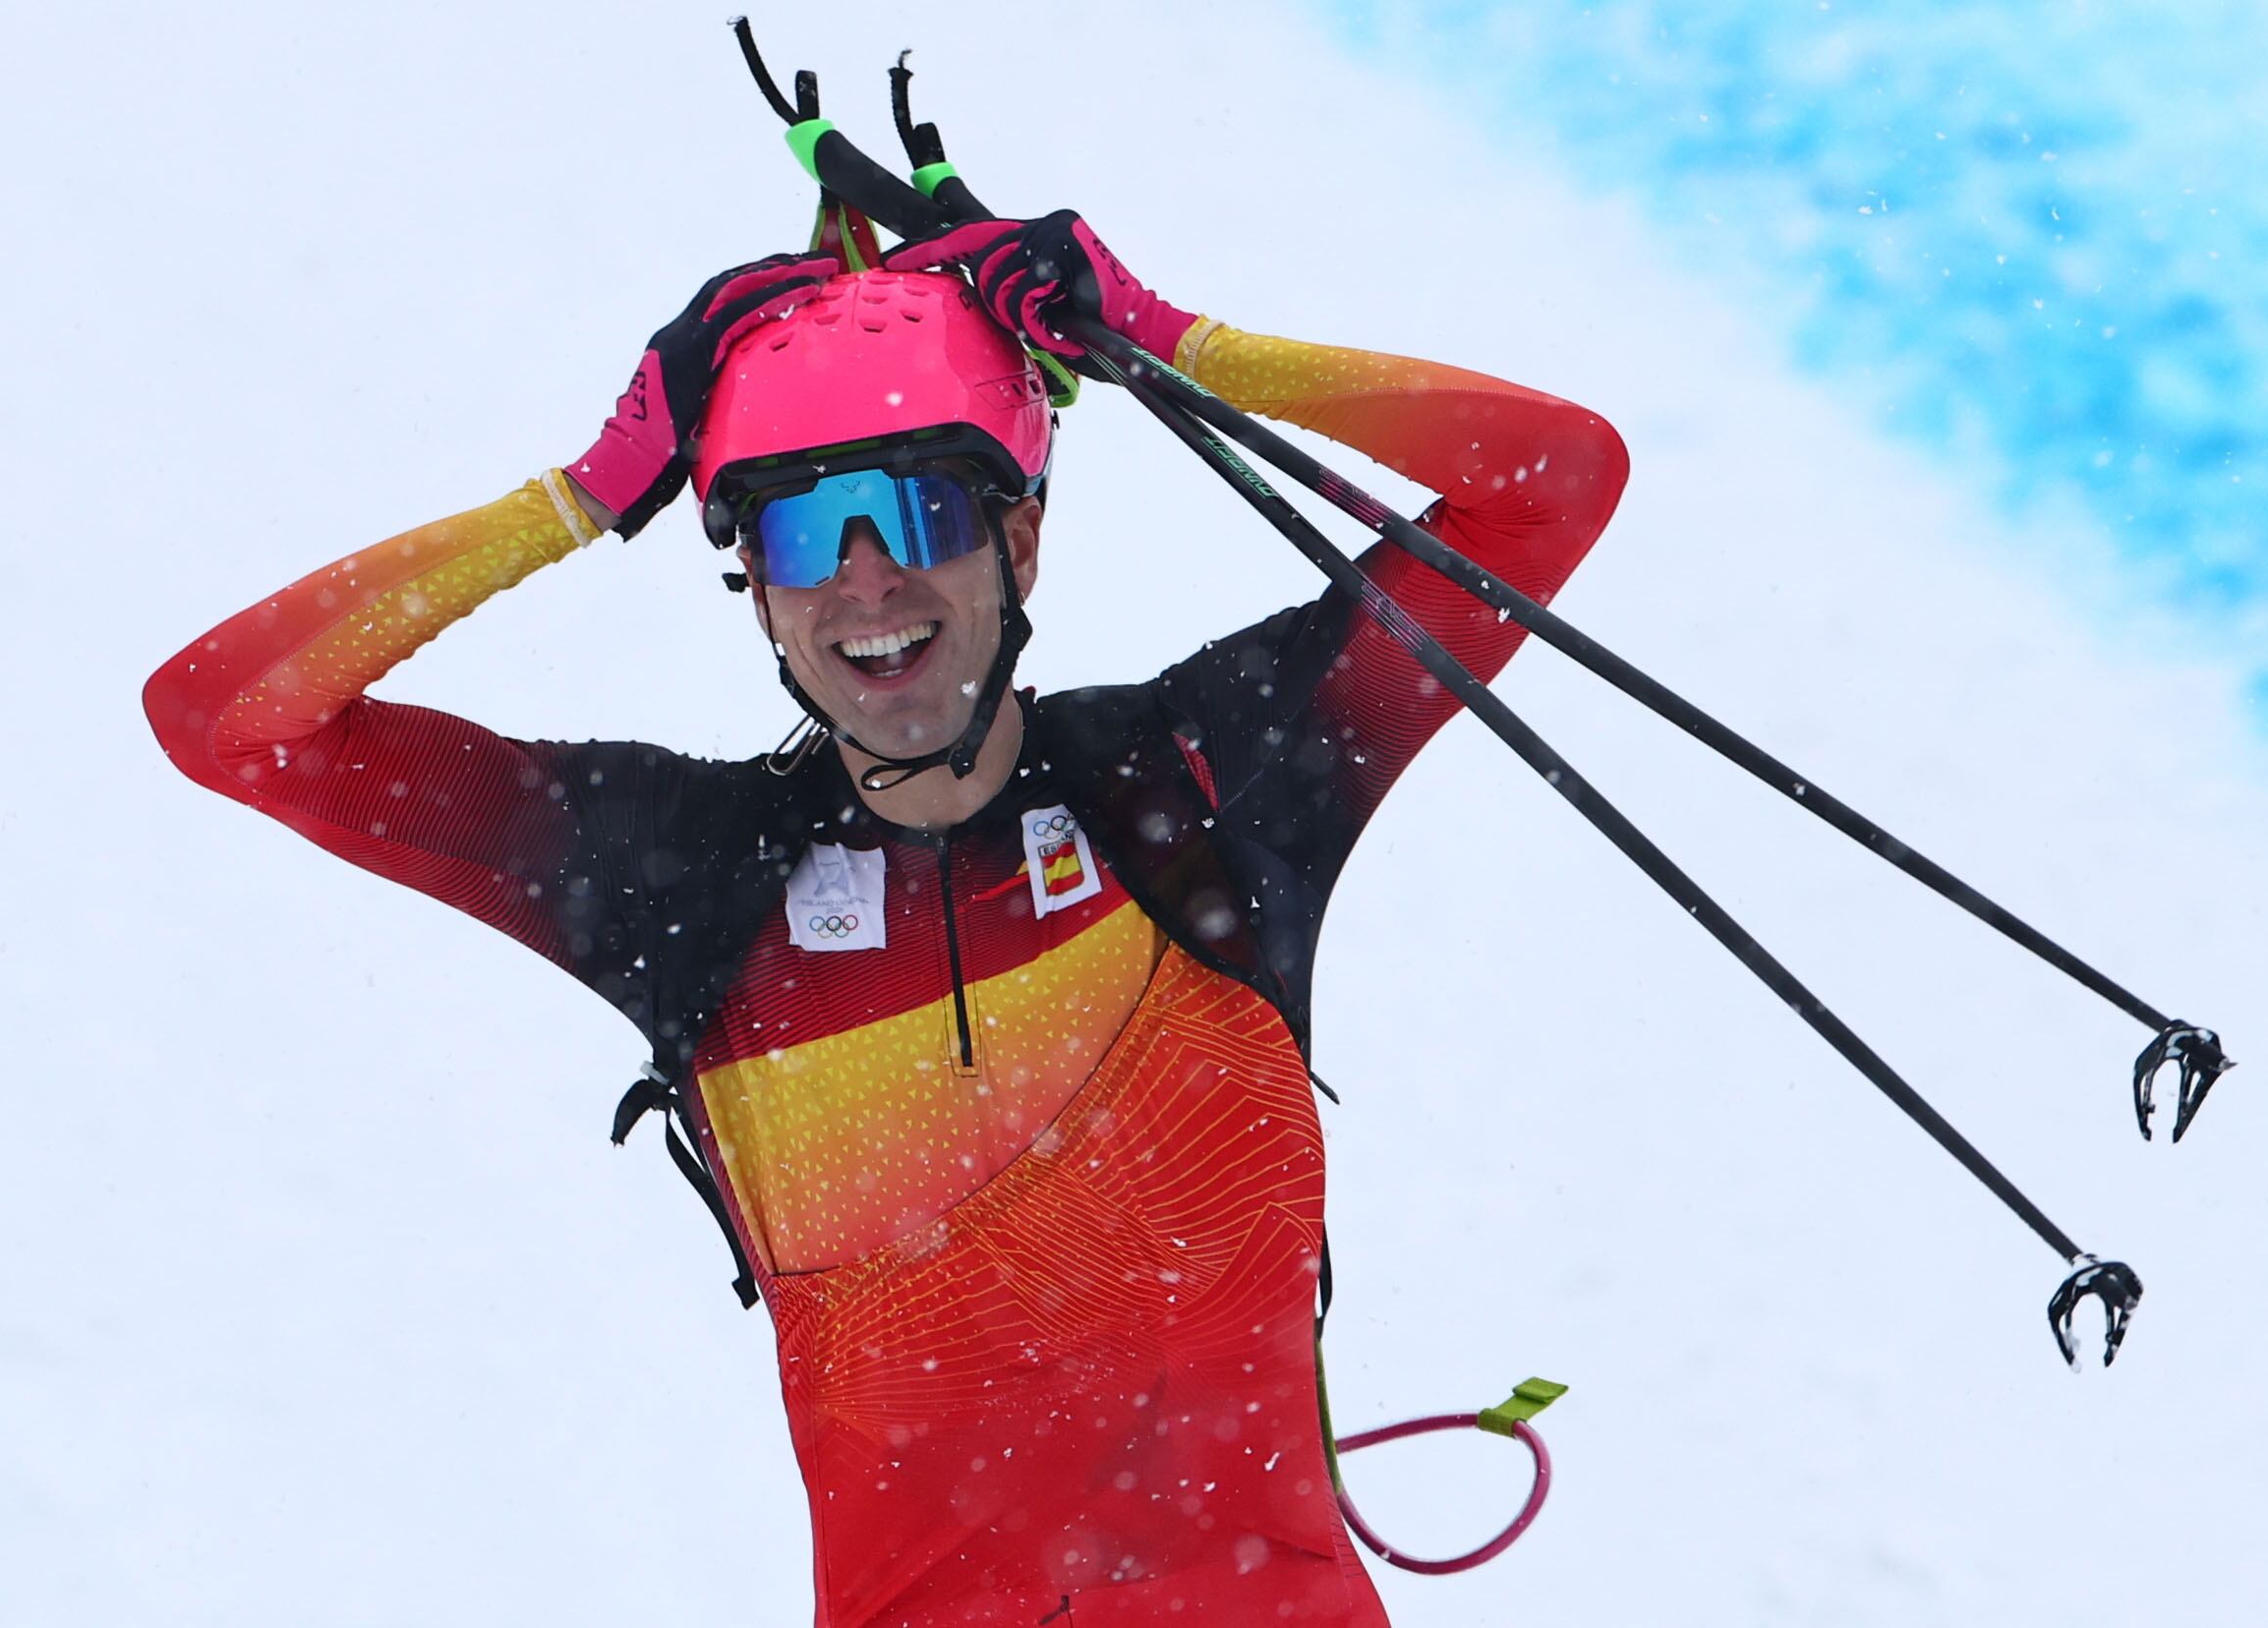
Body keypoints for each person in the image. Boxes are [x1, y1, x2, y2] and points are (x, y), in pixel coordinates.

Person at [144, 211, 1629, 1627]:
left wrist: (1174, 338)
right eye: (802, 536)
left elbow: (1557, 480)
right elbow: (227, 721)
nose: (869, 581)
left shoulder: (1203, 782)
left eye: (918, 508)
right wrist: (582, 499)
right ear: (758, 599)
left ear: (1019, 546)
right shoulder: (687, 876)